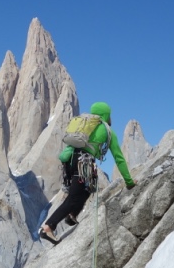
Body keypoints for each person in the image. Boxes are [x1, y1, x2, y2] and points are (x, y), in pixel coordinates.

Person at [40, 101, 136, 244]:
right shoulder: (107, 130)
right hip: (84, 163)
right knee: (73, 197)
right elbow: (119, 158)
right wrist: (129, 181)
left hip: (70, 160)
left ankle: (72, 215)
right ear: (106, 114)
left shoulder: (84, 124)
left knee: (87, 188)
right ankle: (48, 227)